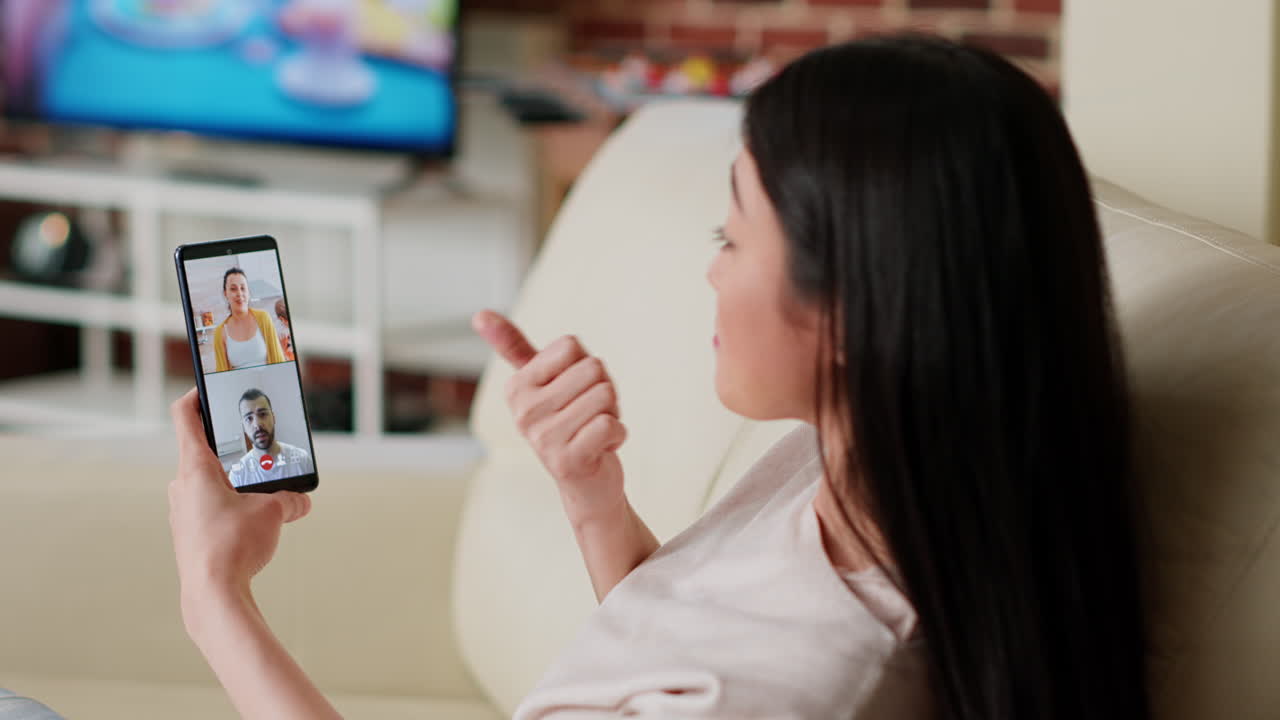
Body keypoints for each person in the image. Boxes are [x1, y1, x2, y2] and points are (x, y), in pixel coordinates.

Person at [167, 35, 1151, 720]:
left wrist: (215, 595)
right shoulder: (868, 475)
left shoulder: (802, 689)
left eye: (730, 235)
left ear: (854, 308)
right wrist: (593, 499)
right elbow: (683, 655)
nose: (710, 269)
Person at [226, 388, 314, 488]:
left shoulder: (302, 459)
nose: (257, 424)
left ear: (273, 417)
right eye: (249, 418)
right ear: (244, 427)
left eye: (263, 414)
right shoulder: (238, 475)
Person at [212, 267, 286, 372]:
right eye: (233, 289)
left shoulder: (263, 318)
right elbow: (222, 374)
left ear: (248, 292)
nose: (239, 293)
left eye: (243, 288)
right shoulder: (220, 332)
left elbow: (278, 360)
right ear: (225, 293)